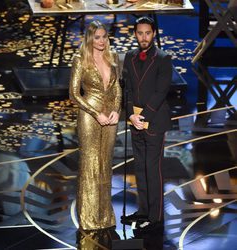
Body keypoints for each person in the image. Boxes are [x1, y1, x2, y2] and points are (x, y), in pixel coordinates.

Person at [69, 20, 122, 231]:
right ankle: (88, 218)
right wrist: (95, 113)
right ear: (90, 39)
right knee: (90, 165)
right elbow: (73, 94)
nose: (101, 41)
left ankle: (104, 216)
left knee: (105, 165)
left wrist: (116, 111)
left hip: (110, 118)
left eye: (104, 37)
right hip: (90, 117)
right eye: (97, 37)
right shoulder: (80, 59)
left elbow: (117, 88)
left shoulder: (113, 57)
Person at [122, 16, 172, 229]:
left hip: (154, 122)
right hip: (136, 121)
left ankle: (155, 216)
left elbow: (161, 92)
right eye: (140, 33)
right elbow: (127, 89)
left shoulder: (163, 58)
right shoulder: (129, 57)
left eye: (147, 33)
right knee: (140, 169)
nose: (144, 37)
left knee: (153, 169)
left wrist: (143, 118)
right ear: (135, 34)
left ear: (153, 34)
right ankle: (143, 211)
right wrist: (131, 115)